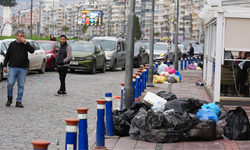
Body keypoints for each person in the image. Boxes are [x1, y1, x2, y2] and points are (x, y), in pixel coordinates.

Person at [3, 30, 35, 108]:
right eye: (21, 36)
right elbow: (7, 56)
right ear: (17, 36)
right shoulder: (12, 44)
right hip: (12, 67)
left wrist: (26, 43)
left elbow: (32, 51)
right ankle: (9, 98)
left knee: (21, 85)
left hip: (22, 68)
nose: (22, 37)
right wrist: (4, 66)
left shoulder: (26, 44)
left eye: (23, 36)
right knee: (10, 83)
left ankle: (19, 101)